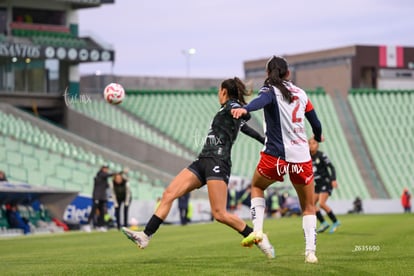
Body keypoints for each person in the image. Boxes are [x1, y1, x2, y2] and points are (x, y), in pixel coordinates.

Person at [122, 77, 275, 259]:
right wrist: (265, 140)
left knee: (219, 214)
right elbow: (248, 129)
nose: (219, 94)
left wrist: (240, 111)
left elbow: (241, 114)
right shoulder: (227, 110)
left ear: (224, 91)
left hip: (218, 161)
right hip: (203, 160)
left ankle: (259, 237)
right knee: (169, 194)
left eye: (219, 90)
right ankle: (145, 236)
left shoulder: (231, 106)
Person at [231, 56, 322, 264]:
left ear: (267, 74)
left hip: (276, 157)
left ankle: (259, 231)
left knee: (256, 186)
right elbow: (316, 124)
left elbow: (259, 102)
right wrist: (316, 138)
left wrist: (245, 109)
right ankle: (310, 252)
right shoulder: (302, 94)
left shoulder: (270, 90)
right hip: (301, 158)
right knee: (308, 206)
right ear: (288, 73)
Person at [308, 138, 341, 234]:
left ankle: (335, 221)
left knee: (321, 204)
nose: (311, 145)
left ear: (317, 145)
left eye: (313, 143)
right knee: (311, 205)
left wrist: (333, 179)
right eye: (309, 143)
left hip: (325, 182)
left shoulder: (321, 155)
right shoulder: (308, 156)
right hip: (317, 184)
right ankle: (323, 223)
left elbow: (331, 167)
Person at [86, 165, 126, 232]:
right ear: (102, 169)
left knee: (102, 212)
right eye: (105, 168)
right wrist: (121, 172)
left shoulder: (104, 178)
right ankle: (87, 224)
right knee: (94, 210)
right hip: (97, 196)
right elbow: (109, 175)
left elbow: (107, 185)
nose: (106, 170)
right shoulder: (101, 174)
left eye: (107, 168)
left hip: (102, 197)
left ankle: (100, 225)